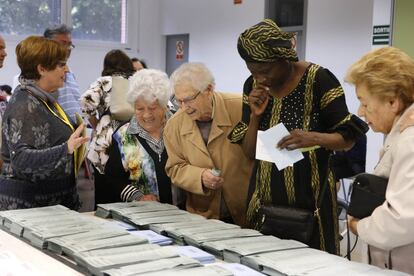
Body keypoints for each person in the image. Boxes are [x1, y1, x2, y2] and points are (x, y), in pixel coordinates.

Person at [229, 19, 368, 253]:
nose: (260, 78)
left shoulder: (319, 81)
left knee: (313, 265)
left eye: (265, 71)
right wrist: (254, 117)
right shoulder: (252, 86)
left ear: (285, 59)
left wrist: (315, 138)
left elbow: (349, 138)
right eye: (253, 72)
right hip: (265, 202)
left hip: (312, 203)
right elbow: (249, 152)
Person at [346, 47, 414, 274]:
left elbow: (401, 219)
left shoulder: (410, 141)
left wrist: (358, 226)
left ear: (393, 102)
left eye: (364, 103)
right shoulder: (402, 136)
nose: (361, 112)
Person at [0, 36, 88, 210]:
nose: (66, 70)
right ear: (41, 69)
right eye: (61, 65)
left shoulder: (43, 100)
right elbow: (21, 160)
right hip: (31, 210)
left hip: (49, 204)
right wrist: (66, 149)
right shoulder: (25, 104)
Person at [164, 62, 253, 226]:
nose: (184, 108)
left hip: (246, 211)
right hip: (203, 216)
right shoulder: (174, 124)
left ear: (209, 90)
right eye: (178, 101)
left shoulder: (241, 108)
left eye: (189, 100)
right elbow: (175, 167)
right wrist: (199, 176)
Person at [93, 69, 174, 205]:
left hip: (184, 212)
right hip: (145, 215)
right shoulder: (123, 135)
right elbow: (113, 178)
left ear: (164, 105)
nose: (146, 115)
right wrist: (137, 196)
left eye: (152, 108)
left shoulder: (179, 128)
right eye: (140, 109)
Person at [80, 49, 135, 203]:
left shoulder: (104, 81)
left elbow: (85, 101)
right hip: (134, 138)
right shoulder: (137, 80)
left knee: (106, 190)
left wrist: (96, 123)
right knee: (130, 186)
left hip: (106, 140)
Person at [42, 24, 81, 124]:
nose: (67, 48)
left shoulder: (70, 72)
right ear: (48, 43)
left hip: (75, 131)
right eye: (63, 43)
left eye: (69, 44)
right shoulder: (43, 72)